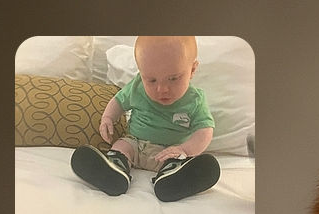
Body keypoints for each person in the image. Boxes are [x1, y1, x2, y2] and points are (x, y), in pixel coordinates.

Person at [71, 36, 220, 202]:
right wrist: (107, 118)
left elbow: (205, 131)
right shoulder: (136, 87)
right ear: (141, 74)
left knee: (176, 160)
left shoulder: (195, 100)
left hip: (169, 151)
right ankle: (115, 168)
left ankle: (170, 179)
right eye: (151, 80)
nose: (162, 88)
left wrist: (185, 150)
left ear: (192, 70)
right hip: (135, 144)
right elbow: (118, 101)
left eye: (173, 78)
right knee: (121, 146)